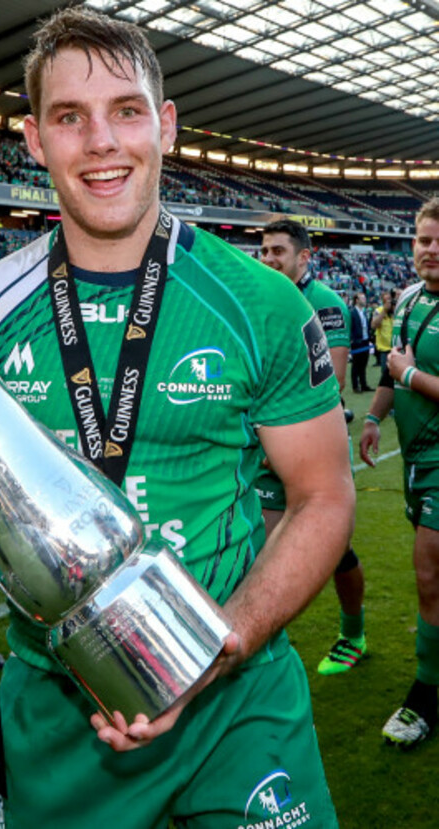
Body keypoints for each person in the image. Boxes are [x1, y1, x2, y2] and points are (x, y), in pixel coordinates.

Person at [0, 8, 354, 827]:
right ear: (35, 139)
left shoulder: (261, 303)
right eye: (71, 117)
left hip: (237, 701)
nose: (101, 142)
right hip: (60, 704)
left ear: (165, 125)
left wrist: (220, 646)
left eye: (126, 110)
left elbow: (323, 496)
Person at [259, 219, 367, 676]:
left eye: (277, 251)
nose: (268, 260)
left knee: (333, 550)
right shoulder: (257, 297)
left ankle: (353, 631)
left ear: (304, 258)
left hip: (309, 446)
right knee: (261, 549)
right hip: (262, 448)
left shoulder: (325, 304)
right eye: (263, 251)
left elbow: (332, 383)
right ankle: (263, 646)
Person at [360, 197, 439, 749]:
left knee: (429, 576)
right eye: (422, 240)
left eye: (437, 242)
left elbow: (402, 369)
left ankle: (425, 696)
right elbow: (391, 371)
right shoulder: (408, 299)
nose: (428, 251)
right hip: (415, 459)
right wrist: (372, 417)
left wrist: (409, 376)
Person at [350, 291, 373, 393]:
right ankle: (355, 386)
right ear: (356, 300)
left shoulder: (365, 312)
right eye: (362, 298)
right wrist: (353, 340)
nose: (364, 300)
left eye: (364, 298)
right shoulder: (352, 312)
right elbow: (351, 327)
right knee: (356, 365)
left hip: (365, 341)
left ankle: (364, 384)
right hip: (357, 342)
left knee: (364, 364)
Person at [371, 290, 394, 369]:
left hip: (396, 348)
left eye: (390, 299)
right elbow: (374, 325)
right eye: (386, 299)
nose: (389, 302)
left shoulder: (397, 310)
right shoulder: (379, 311)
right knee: (385, 373)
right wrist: (384, 310)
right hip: (385, 348)